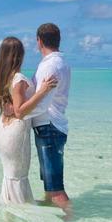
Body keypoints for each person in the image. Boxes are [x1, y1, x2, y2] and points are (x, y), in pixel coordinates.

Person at [0, 37, 57, 205]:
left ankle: (10, 216)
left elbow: (11, 108)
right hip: (15, 134)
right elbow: (20, 112)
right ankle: (20, 219)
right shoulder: (18, 79)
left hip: (2, 131)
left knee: (10, 177)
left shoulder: (2, 78)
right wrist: (42, 91)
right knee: (18, 178)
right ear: (19, 56)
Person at [29, 23, 72, 211]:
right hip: (51, 127)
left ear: (39, 41)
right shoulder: (58, 62)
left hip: (49, 127)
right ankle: (53, 213)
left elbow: (41, 104)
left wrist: (17, 114)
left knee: (56, 190)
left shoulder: (50, 65)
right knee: (49, 186)